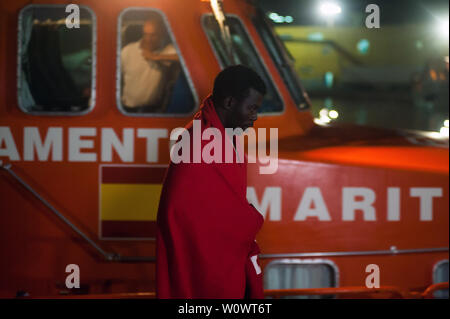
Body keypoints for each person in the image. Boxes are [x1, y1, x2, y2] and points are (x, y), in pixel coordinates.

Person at [156, 65, 267, 299]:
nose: (255, 117)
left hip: (214, 258)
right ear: (229, 103)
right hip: (204, 268)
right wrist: (252, 219)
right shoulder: (200, 144)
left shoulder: (221, 134)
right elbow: (178, 212)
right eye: (252, 108)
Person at [120, 14, 179, 113]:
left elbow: (187, 58)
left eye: (153, 35)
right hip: (127, 110)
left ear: (162, 35)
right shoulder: (128, 50)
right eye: (146, 34)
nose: (148, 39)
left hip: (152, 111)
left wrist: (156, 57)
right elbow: (114, 77)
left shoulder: (166, 50)